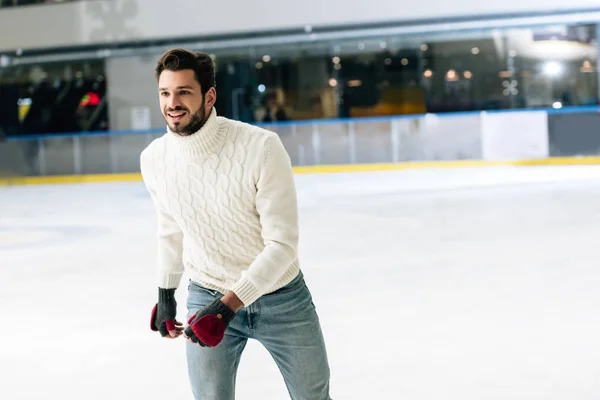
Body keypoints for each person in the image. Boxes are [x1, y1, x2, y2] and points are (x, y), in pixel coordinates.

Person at [140, 48, 332, 400]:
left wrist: (229, 306)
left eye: (184, 91)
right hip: (207, 290)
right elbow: (170, 229)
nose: (173, 103)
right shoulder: (154, 158)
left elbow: (282, 246)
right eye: (165, 93)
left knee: (313, 397)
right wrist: (166, 293)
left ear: (209, 96)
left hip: (282, 298)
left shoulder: (260, 148)